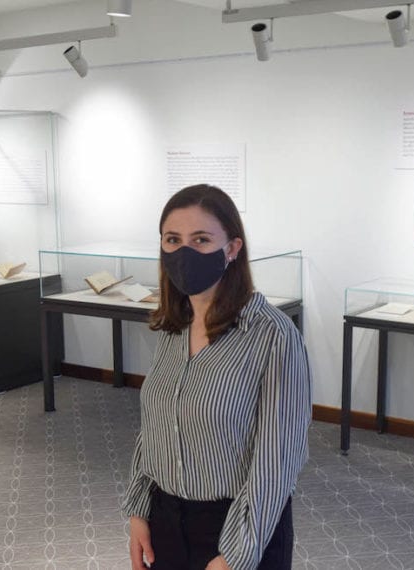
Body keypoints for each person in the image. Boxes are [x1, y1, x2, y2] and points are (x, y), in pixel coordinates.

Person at [122, 184, 312, 570]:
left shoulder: (273, 336)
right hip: (166, 522)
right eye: (173, 240)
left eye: (202, 239)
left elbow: (277, 461)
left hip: (238, 529)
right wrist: (139, 511)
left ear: (232, 249)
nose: (184, 252)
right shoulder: (175, 328)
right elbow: (156, 427)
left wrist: (234, 555)